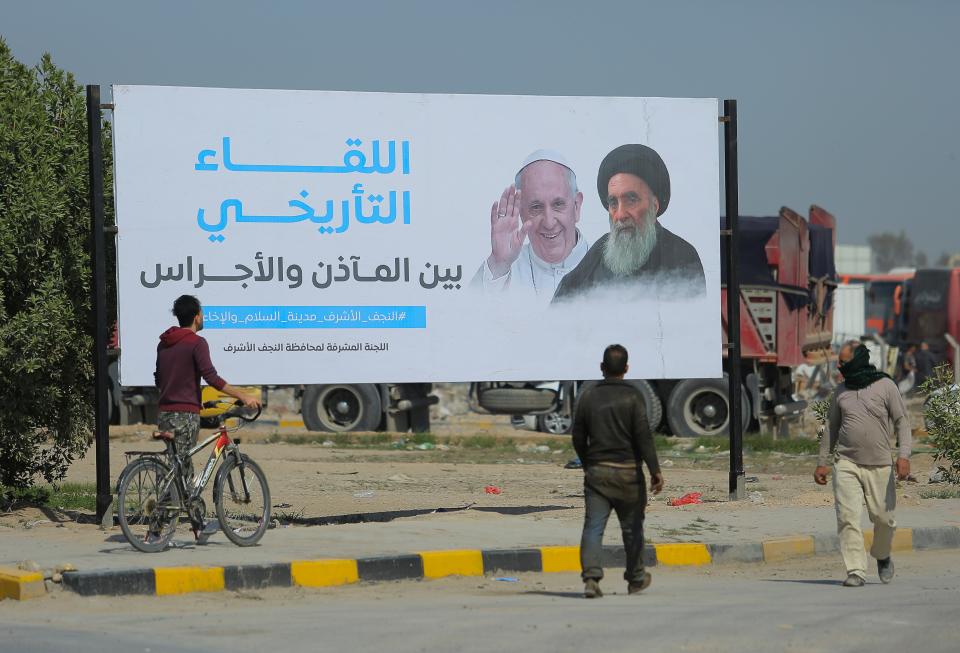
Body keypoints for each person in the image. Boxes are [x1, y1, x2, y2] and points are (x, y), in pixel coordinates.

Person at [552, 144, 705, 303]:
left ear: (654, 206)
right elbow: (560, 307)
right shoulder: (601, 250)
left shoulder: (682, 256)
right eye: (613, 203)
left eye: (631, 200)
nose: (620, 214)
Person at [813, 340, 911, 587]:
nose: (838, 366)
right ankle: (855, 570)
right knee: (847, 517)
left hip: (880, 465)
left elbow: (902, 421)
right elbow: (831, 428)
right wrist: (822, 462)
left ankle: (882, 555)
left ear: (856, 361)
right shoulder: (841, 391)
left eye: (843, 362)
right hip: (847, 463)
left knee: (884, 519)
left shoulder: (885, 386)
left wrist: (904, 456)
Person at [572, 344, 663, 598]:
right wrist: (655, 470)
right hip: (628, 477)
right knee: (633, 528)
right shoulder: (633, 397)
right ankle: (635, 579)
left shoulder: (588, 396)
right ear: (626, 369)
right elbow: (644, 437)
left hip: (597, 475)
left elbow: (578, 436)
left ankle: (591, 578)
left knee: (593, 527)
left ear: (602, 368)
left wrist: (587, 462)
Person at [155, 295, 261, 484]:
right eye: (202, 312)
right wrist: (243, 396)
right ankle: (174, 508)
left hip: (164, 413)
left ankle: (172, 506)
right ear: (196, 316)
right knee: (181, 471)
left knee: (175, 464)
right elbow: (211, 377)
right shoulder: (197, 343)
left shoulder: (163, 343)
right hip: (185, 416)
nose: (203, 316)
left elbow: (160, 378)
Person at [471, 150, 590, 305]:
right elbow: (463, 320)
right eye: (536, 207)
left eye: (558, 204)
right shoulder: (502, 271)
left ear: (576, 206)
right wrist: (498, 262)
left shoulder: (607, 267)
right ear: (521, 213)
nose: (549, 222)